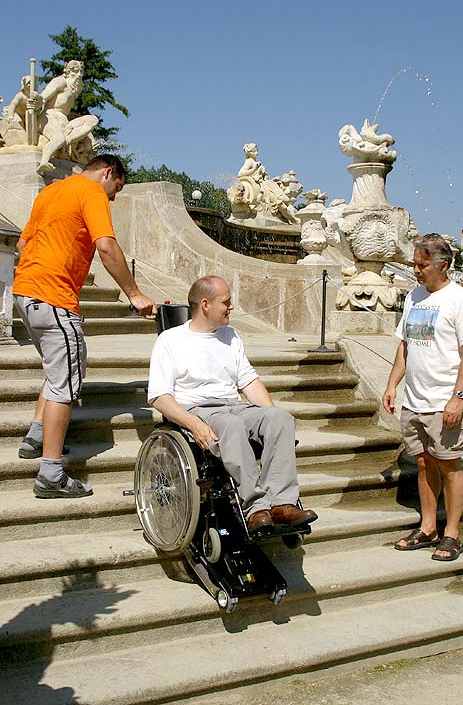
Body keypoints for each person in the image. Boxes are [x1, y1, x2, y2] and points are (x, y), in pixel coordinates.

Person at [13, 154, 157, 498]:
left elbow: (21, 244)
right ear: (108, 173)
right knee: (65, 383)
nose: (112, 198)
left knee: (56, 369)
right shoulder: (91, 192)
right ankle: (50, 473)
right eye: (116, 190)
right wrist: (134, 294)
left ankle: (36, 436)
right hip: (54, 296)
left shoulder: (51, 191)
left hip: (25, 293)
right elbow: (106, 246)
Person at [147, 275, 318, 534]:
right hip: (199, 410)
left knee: (280, 419)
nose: (231, 307)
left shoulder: (230, 336)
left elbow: (249, 382)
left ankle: (283, 504)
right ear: (205, 305)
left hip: (234, 405)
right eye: (226, 302)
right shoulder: (170, 340)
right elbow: (159, 396)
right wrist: (194, 424)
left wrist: (270, 417)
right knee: (232, 424)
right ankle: (255, 507)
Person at [382, 233, 463, 561]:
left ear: (443, 266)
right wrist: (391, 384)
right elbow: (405, 345)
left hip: (445, 403)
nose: (415, 269)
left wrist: (457, 397)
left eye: (421, 264)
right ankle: (428, 527)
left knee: (449, 465)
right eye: (414, 263)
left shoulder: (460, 299)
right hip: (414, 400)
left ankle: (452, 533)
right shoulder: (413, 297)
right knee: (424, 463)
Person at [36, 60, 99, 174]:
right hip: (49, 116)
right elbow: (43, 98)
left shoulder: (77, 87)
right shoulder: (59, 82)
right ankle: (44, 162)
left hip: (64, 120)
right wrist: (35, 101)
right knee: (59, 138)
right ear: (68, 71)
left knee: (93, 120)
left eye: (81, 71)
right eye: (75, 71)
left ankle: (69, 140)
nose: (79, 74)